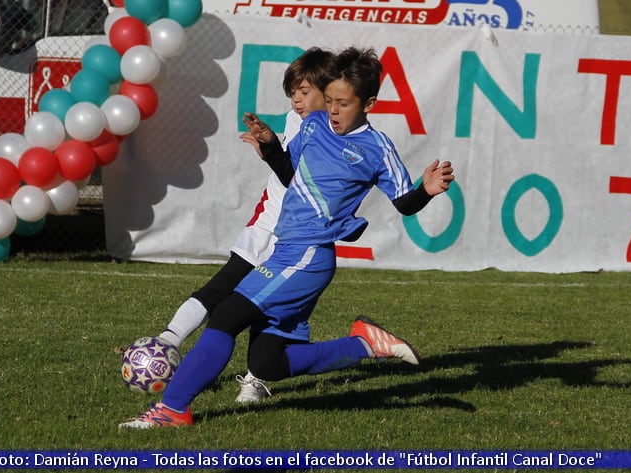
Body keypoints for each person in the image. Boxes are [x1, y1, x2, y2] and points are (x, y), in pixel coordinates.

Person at [120, 46, 455, 429]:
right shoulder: (313, 126)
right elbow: (289, 172)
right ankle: (364, 344)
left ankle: (173, 409)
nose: (332, 110)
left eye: (343, 103)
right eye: (328, 100)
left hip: (308, 256)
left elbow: (404, 203)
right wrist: (270, 145)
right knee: (268, 364)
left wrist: (426, 190)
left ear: (369, 103)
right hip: (287, 251)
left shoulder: (377, 148)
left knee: (227, 315)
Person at [156, 47, 335, 403]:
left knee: (271, 313)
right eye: (293, 93)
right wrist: (271, 149)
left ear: (329, 92)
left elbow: (302, 182)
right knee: (222, 287)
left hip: (299, 240)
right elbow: (287, 174)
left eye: (304, 92)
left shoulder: (336, 132)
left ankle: (255, 379)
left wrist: (273, 153)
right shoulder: (295, 120)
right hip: (266, 227)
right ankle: (165, 344)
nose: (296, 101)